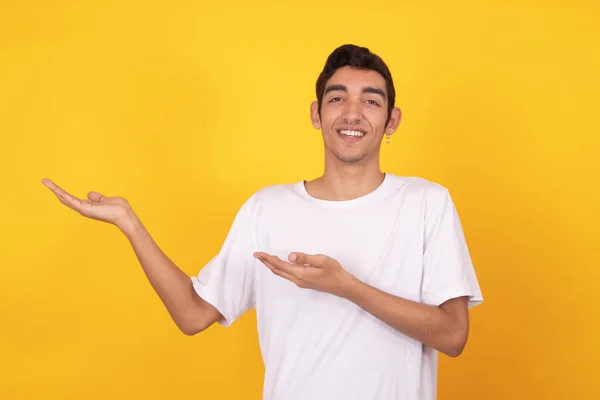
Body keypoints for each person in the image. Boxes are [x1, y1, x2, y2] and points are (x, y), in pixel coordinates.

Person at [42, 44, 483, 400]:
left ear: (392, 120)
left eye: (371, 100)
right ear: (316, 114)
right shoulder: (267, 208)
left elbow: (452, 334)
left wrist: (347, 286)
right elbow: (194, 313)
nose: (353, 113)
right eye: (337, 98)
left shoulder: (427, 203)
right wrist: (129, 223)